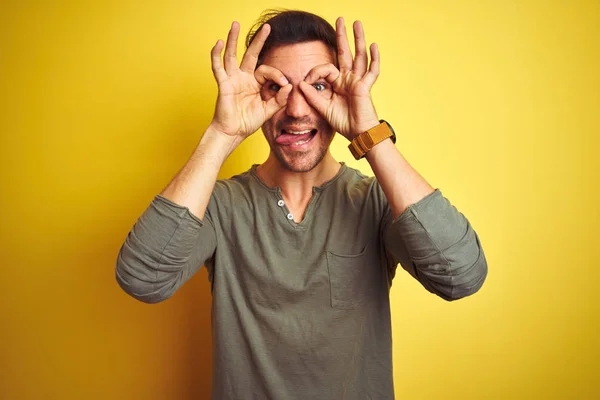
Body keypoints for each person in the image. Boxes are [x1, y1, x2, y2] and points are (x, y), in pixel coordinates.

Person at [116, 9, 487, 399]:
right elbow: (143, 279)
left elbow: (461, 276)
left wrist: (369, 135)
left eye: (318, 87)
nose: (295, 110)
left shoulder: (378, 203)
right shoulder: (220, 205)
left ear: (341, 91)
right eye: (276, 88)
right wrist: (222, 133)